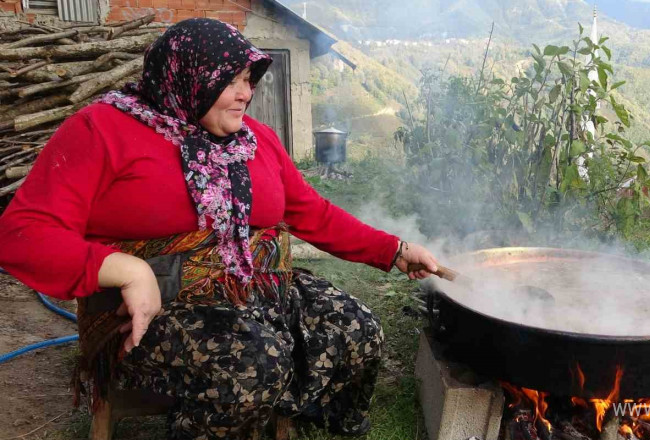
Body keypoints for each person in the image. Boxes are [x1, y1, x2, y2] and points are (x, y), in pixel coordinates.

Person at [0, 18, 439, 439]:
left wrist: (395, 250)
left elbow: (313, 212)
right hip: (159, 307)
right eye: (230, 81)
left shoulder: (257, 140)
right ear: (187, 78)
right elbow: (22, 233)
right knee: (253, 364)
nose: (245, 93)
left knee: (357, 328)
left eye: (249, 79)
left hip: (259, 287)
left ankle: (317, 415)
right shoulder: (101, 131)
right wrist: (127, 270)